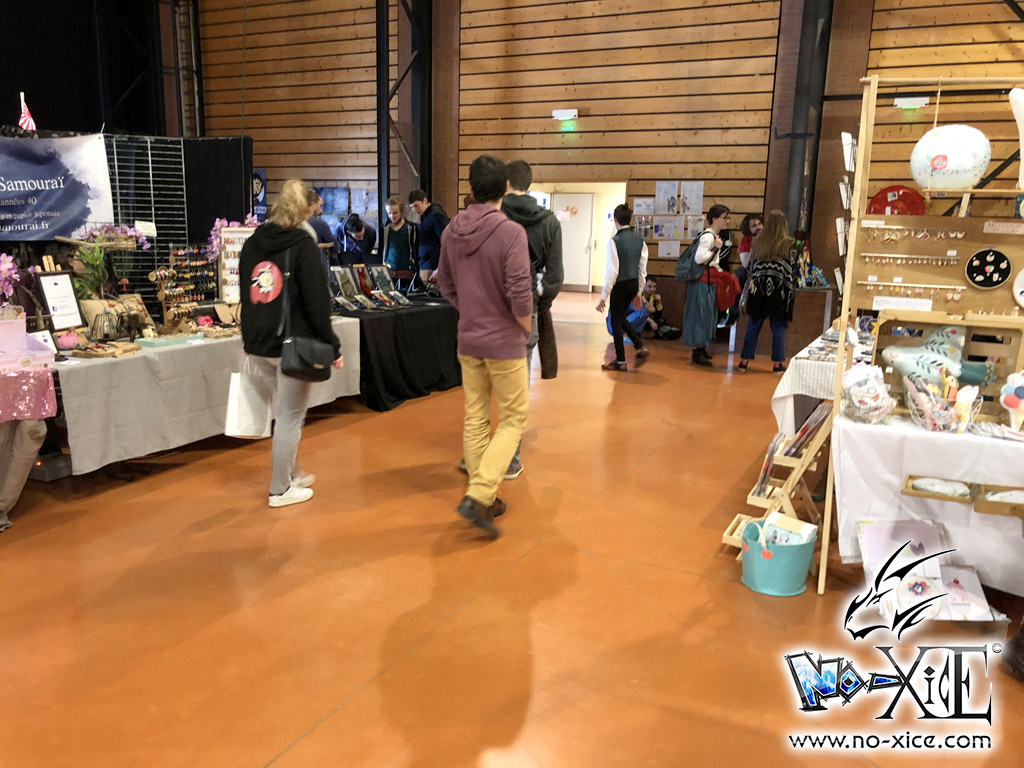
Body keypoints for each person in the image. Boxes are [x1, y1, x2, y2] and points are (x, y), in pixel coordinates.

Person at [437, 155, 532, 539]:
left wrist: (470, 310)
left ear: (472, 188)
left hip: (469, 338)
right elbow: (521, 292)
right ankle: (479, 494)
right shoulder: (511, 233)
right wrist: (523, 326)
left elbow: (445, 283)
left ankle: (484, 498)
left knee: (476, 417)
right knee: (513, 418)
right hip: (504, 342)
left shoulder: (450, 231)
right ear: (505, 187)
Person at [239, 179, 343, 508]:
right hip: (291, 344)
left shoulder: (253, 243)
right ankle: (280, 489)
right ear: (303, 210)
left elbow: (246, 293)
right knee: (290, 418)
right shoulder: (302, 245)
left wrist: (247, 336)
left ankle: (292, 473)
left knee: (283, 414)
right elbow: (317, 302)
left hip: (259, 343)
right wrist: (333, 346)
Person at [500, 159, 563, 379]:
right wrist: (539, 299)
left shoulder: (494, 214)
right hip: (528, 303)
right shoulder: (549, 221)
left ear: (505, 183)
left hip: (493, 303)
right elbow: (555, 275)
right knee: (520, 372)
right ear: (528, 184)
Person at [737, 209, 796, 373]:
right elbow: (792, 268)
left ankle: (744, 361)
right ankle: (777, 364)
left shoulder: (757, 242)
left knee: (753, 324)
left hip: (759, 289)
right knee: (778, 326)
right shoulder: (789, 243)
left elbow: (751, 264)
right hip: (779, 290)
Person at [596, 203, 650, 372]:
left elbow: (612, 272)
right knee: (619, 317)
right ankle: (639, 345)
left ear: (615, 220)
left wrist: (604, 296)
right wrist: (639, 292)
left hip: (620, 285)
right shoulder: (640, 241)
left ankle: (620, 360)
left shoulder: (614, 242)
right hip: (633, 283)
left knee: (615, 320)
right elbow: (642, 269)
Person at [682, 204, 731, 367]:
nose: (727, 221)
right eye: (724, 218)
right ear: (715, 218)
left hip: (708, 280)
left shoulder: (712, 236)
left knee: (707, 314)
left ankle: (701, 349)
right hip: (702, 282)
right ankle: (697, 351)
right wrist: (716, 249)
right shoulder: (708, 237)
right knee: (701, 315)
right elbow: (699, 259)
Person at [409, 188, 450, 284]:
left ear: (425, 200)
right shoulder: (425, 215)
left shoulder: (435, 214)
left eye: (416, 205)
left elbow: (447, 241)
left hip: (433, 266)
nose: (414, 210)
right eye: (411, 207)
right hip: (426, 264)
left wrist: (440, 268)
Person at [380, 195, 417, 272]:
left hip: (407, 270)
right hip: (388, 269)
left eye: (395, 213)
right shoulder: (384, 228)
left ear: (401, 212)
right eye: (389, 213)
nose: (392, 216)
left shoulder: (411, 227)